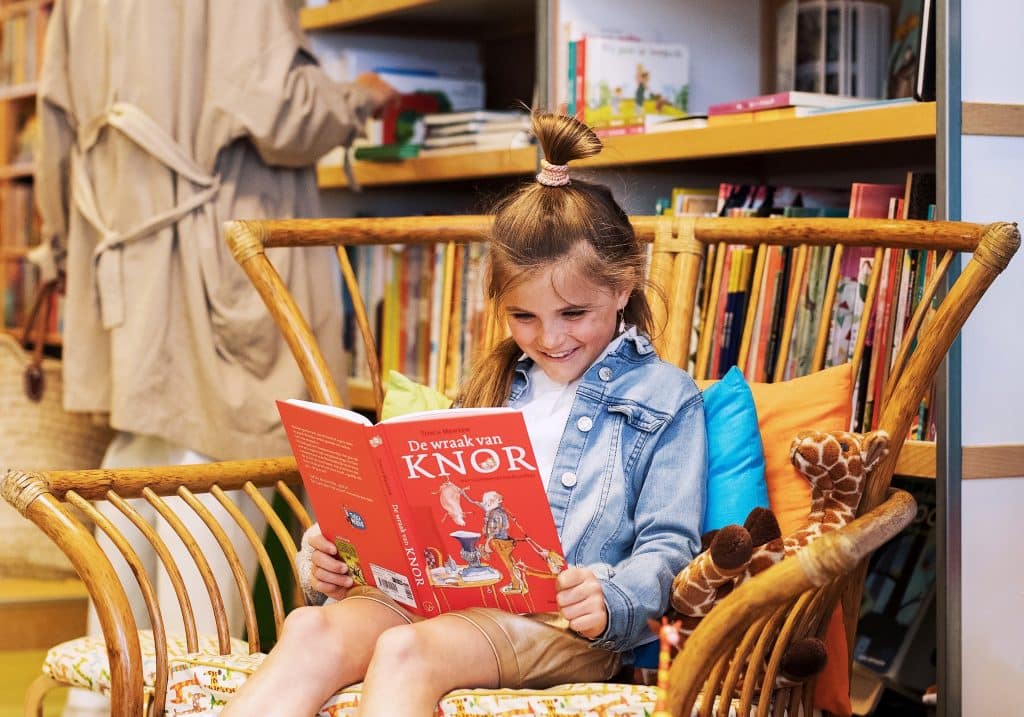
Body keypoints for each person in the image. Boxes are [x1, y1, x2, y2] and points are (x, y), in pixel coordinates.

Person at [222, 111, 708, 717]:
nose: (550, 338)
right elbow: (416, 513)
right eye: (523, 317)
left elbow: (671, 545)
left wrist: (611, 598)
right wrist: (340, 550)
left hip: (561, 624)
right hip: (445, 598)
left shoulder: (666, 397)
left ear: (624, 284)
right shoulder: (495, 382)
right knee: (308, 629)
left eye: (573, 314)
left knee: (406, 651)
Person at [32, 3, 396, 714]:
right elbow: (280, 110)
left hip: (127, 275)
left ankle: (97, 701)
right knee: (219, 495)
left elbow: (55, 134)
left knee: (136, 498)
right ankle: (181, 699)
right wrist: (361, 98)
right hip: (214, 277)